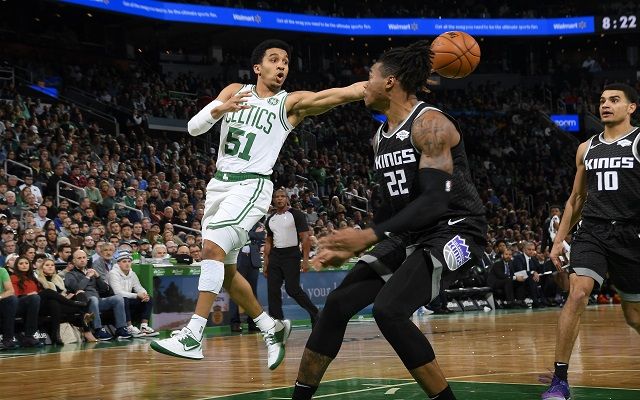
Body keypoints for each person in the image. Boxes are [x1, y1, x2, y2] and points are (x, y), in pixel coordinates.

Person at [150, 38, 365, 370]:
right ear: (257, 67)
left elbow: (339, 94)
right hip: (218, 186)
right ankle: (270, 327)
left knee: (211, 250)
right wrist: (220, 109)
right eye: (274, 59)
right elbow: (193, 128)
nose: (282, 66)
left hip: (251, 185)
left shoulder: (289, 103)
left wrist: (377, 84)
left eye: (286, 62)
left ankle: (193, 334)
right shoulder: (235, 90)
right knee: (225, 272)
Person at [291, 40, 486, 400]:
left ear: (391, 81)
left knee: (389, 310)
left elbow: (435, 200)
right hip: (410, 234)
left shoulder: (430, 124)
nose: (365, 85)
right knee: (337, 304)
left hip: (456, 230)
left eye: (370, 76)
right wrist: (356, 241)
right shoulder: (380, 138)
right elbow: (391, 206)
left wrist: (368, 236)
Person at [542, 83, 640, 400]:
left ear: (631, 107)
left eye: (614, 100)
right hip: (593, 231)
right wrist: (559, 240)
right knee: (578, 292)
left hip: (630, 234)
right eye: (602, 101)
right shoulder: (586, 148)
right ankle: (559, 380)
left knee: (634, 315)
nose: (605, 105)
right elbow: (576, 198)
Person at [264, 189, 318, 325]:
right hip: (275, 255)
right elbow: (268, 242)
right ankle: (277, 322)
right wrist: (266, 263)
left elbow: (305, 238)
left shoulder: (297, 214)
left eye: (282, 196)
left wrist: (305, 260)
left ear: (287, 199)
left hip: (291, 255)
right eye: (277, 197)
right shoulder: (270, 219)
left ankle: (316, 313)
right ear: (273, 200)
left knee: (292, 289)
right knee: (272, 290)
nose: (279, 199)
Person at [64, 249, 132, 341]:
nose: (82, 260)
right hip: (83, 303)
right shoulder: (70, 275)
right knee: (93, 299)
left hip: (98, 301)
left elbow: (105, 290)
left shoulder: (92, 272)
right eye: (79, 258)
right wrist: (87, 277)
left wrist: (98, 277)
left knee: (118, 298)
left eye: (84, 257)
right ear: (74, 261)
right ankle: (98, 329)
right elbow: (77, 289)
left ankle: (121, 328)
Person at [108, 251, 158, 337]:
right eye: (124, 262)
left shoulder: (132, 273)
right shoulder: (113, 273)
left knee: (149, 298)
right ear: (118, 263)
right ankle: (129, 327)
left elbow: (138, 287)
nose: (127, 264)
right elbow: (118, 292)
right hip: (114, 302)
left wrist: (144, 294)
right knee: (123, 300)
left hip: (128, 299)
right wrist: (136, 295)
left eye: (129, 261)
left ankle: (144, 326)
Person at [229, 222, 265, 333]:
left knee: (252, 292)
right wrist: (253, 234)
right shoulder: (235, 222)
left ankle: (253, 322)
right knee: (235, 291)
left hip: (253, 260)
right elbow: (236, 235)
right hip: (238, 260)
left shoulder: (256, 222)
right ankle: (235, 323)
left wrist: (248, 234)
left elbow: (261, 235)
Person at [0, 263, 19, 349]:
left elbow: (10, 291)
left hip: (1, 301)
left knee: (12, 299)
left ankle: (8, 340)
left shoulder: (2, 271)